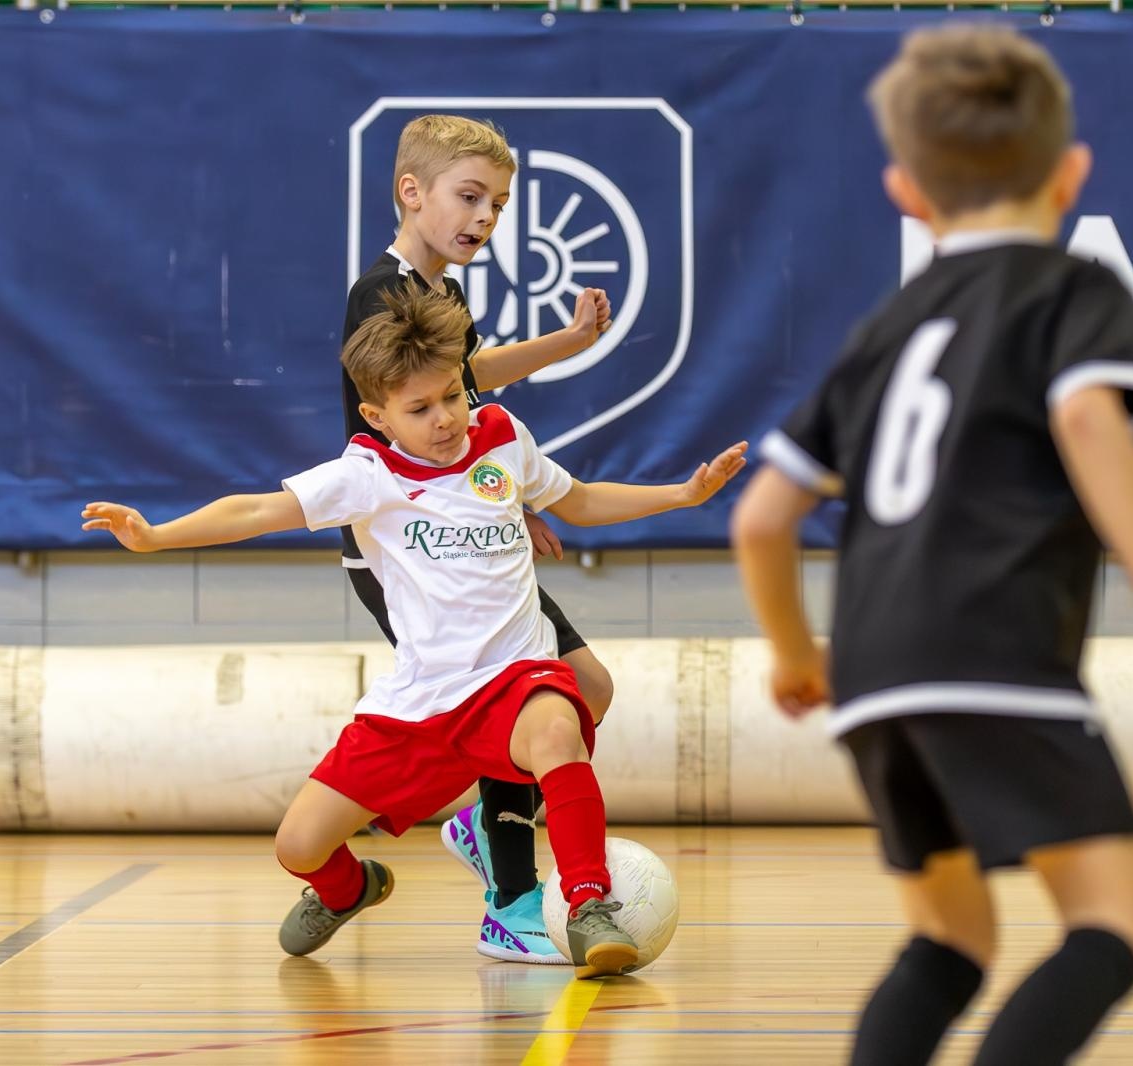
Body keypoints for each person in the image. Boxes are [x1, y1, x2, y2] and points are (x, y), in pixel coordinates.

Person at [730, 26, 1133, 1065]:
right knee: (1117, 925)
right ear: (1072, 172)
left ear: (906, 189)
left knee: (949, 940)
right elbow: (1090, 422)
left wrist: (792, 654)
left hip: (871, 676)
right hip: (995, 656)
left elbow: (761, 516)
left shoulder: (883, 327)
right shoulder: (1070, 291)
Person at [84, 286, 746, 978]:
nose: (445, 420)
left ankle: (587, 906)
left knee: (559, 727)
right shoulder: (364, 476)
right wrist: (155, 536)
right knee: (298, 845)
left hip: (513, 681)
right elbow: (255, 508)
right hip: (419, 704)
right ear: (377, 416)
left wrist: (682, 494)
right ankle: (350, 889)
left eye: (452, 398)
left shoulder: (502, 438)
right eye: (420, 409)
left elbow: (576, 500)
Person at [343, 113, 616, 964]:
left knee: (586, 687)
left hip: (462, 531)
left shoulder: (444, 295)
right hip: (411, 551)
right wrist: (482, 503)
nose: (485, 218)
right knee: (518, 700)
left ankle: (482, 824)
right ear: (411, 192)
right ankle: (511, 893)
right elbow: (405, 430)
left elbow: (467, 384)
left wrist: (566, 346)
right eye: (470, 197)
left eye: (498, 204)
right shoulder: (378, 296)